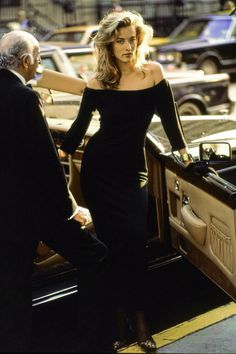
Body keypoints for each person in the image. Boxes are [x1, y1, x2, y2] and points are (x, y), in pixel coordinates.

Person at [59, 10, 192, 353]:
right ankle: (119, 320)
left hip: (133, 172)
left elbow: (170, 116)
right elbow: (78, 127)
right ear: (108, 44)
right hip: (99, 171)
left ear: (139, 39)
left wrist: (183, 153)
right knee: (111, 248)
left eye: (132, 38)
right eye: (120, 40)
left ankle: (142, 319)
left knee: (134, 241)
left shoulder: (153, 73)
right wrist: (57, 153)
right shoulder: (98, 81)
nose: (127, 45)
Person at [0, 30, 108, 353]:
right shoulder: (23, 97)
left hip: (5, 216)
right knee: (97, 256)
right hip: (35, 212)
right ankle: (91, 342)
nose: (38, 68)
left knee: (13, 293)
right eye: (37, 61)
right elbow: (46, 163)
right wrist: (71, 208)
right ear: (26, 60)